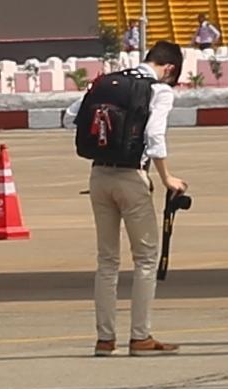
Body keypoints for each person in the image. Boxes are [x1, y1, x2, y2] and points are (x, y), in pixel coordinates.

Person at [72, 38, 179, 358]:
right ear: (169, 68)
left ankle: (105, 338)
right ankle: (140, 336)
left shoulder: (107, 82)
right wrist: (167, 177)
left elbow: (71, 115)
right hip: (132, 175)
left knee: (107, 260)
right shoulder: (159, 90)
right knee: (145, 257)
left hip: (98, 175)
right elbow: (154, 136)